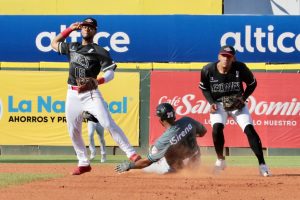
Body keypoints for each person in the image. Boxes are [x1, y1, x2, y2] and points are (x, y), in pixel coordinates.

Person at [51, 17, 141, 175]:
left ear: (95, 31)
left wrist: (98, 80)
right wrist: (69, 29)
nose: (86, 29)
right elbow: (53, 43)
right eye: (84, 26)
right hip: (72, 93)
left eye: (90, 27)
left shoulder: (100, 51)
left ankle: (131, 153)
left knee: (107, 123)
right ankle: (84, 162)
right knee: (73, 130)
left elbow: (110, 73)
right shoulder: (72, 46)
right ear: (81, 29)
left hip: (90, 93)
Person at [199, 45, 271, 177]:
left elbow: (252, 83)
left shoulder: (240, 68)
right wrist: (212, 103)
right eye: (224, 56)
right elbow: (204, 88)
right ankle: (220, 160)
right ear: (219, 56)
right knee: (216, 129)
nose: (226, 58)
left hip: (237, 104)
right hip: (219, 104)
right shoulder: (207, 70)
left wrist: (243, 98)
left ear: (233, 58)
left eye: (229, 56)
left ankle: (262, 165)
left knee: (249, 130)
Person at [115, 103, 207, 174]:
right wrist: (185, 134)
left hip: (180, 168)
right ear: (174, 115)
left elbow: (147, 162)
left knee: (151, 163)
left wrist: (129, 165)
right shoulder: (187, 120)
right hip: (196, 162)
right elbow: (203, 131)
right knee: (163, 152)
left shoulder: (163, 140)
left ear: (161, 120)